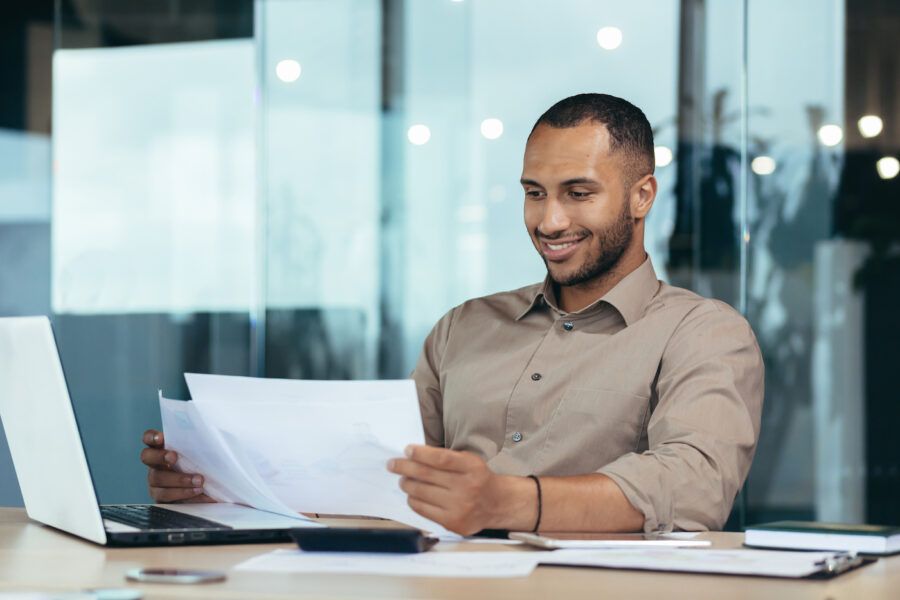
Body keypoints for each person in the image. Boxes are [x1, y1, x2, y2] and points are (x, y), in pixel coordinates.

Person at [141, 93, 764, 535]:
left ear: (642, 196)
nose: (549, 221)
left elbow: (695, 485)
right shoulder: (464, 326)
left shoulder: (703, 332)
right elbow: (383, 481)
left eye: (578, 193)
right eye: (534, 193)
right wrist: (217, 489)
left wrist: (506, 501)